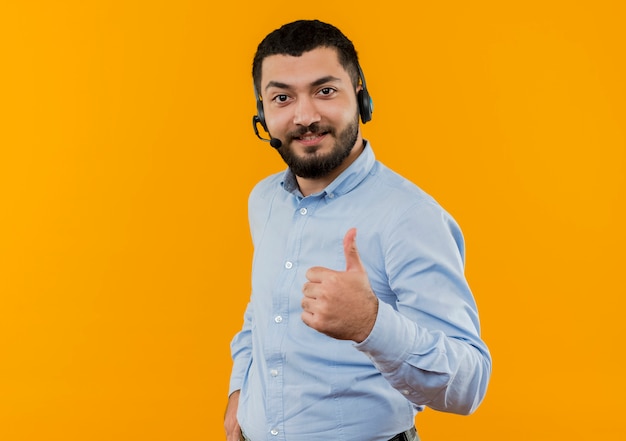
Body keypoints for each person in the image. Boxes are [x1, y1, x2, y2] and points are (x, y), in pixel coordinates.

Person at [225, 19, 491, 441]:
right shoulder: (265, 200)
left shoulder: (410, 217)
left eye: (325, 91)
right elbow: (261, 312)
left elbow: (469, 383)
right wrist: (240, 391)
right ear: (262, 113)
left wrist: (371, 324)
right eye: (282, 98)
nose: (305, 116)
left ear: (361, 97)